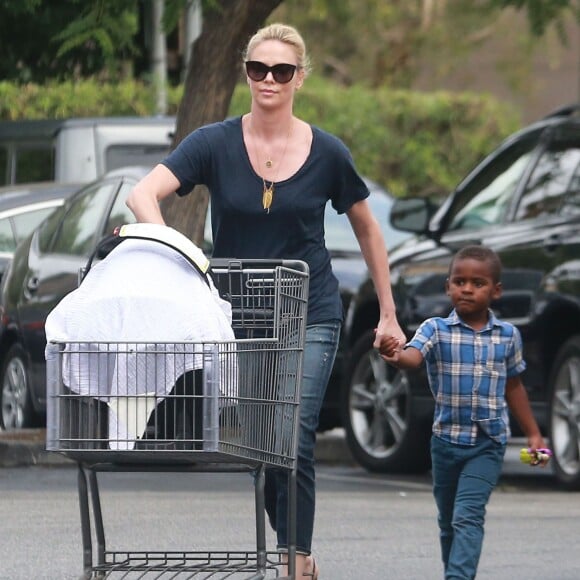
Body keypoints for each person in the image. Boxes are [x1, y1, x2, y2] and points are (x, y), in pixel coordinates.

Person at [126, 22, 405, 578]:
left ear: (300, 78)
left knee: (294, 433)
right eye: (258, 69)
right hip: (242, 314)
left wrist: (388, 312)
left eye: (281, 70)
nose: (269, 80)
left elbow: (370, 231)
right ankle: (290, 540)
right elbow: (142, 195)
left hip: (311, 310)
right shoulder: (214, 142)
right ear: (246, 73)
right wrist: (178, 256)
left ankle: (295, 559)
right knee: (263, 443)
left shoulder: (327, 152)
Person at [379, 245, 549, 580]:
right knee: (447, 521)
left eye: (478, 283)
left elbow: (514, 386)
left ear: (496, 291)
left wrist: (533, 434)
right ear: (448, 287)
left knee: (467, 515)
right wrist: (395, 356)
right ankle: (455, 572)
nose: (467, 288)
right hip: (445, 443)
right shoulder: (435, 329)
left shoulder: (507, 336)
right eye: (459, 281)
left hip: (488, 443)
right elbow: (413, 359)